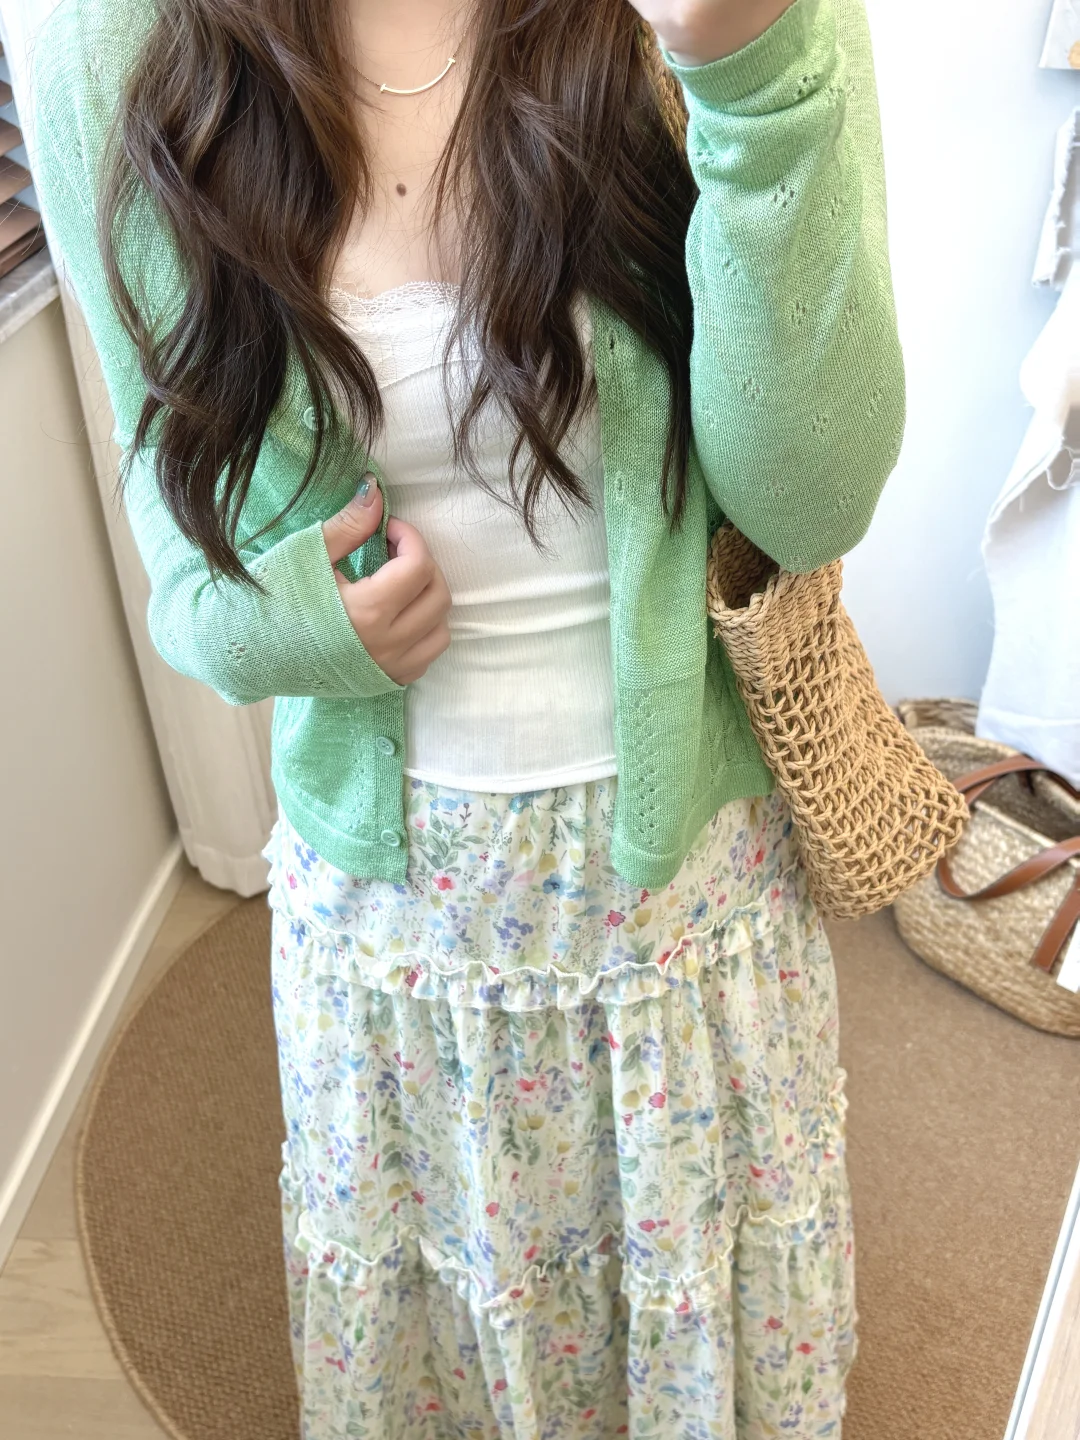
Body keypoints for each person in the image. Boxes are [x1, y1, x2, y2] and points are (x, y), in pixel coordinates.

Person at [30, 0, 905, 1432]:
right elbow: (180, 558)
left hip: (684, 911)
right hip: (391, 942)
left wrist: (750, 76)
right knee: (444, 1340)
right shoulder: (111, 40)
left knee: (697, 1313)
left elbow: (809, 504)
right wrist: (306, 622)